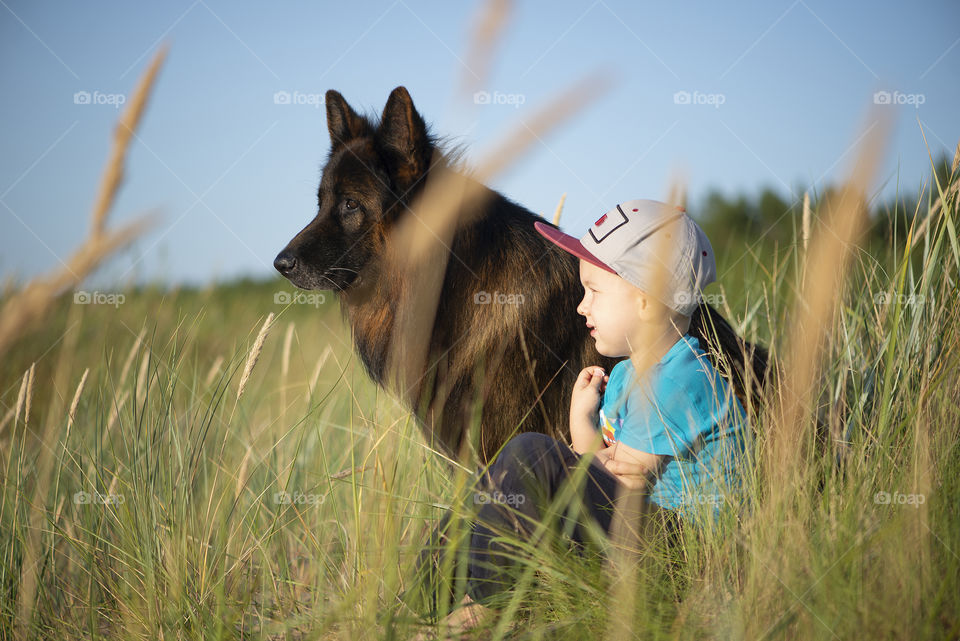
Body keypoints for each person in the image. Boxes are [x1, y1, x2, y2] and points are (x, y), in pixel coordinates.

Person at [413, 199, 753, 638]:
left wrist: (563, 454)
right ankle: (419, 598)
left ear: (646, 301)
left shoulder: (679, 380)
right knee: (493, 481)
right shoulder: (630, 372)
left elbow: (623, 480)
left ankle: (485, 604)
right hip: (645, 530)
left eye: (595, 291)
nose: (581, 307)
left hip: (685, 556)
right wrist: (582, 420)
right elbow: (602, 464)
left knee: (530, 455)